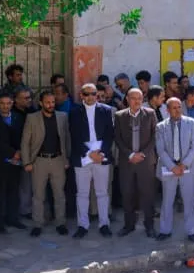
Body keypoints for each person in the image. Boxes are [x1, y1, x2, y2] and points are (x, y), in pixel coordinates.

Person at [21, 90, 71, 237]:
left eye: (53, 102)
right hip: (39, 161)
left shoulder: (62, 117)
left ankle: (60, 223)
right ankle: (37, 224)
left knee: (59, 194)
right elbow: (25, 142)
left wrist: (66, 159)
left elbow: (67, 139)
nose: (51, 105)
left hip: (58, 160)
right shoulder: (32, 118)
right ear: (41, 103)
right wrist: (27, 162)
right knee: (38, 195)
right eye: (48, 102)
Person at [70, 83, 115, 238]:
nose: (90, 97)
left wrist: (101, 153)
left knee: (102, 192)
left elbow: (110, 134)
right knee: (82, 193)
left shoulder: (106, 110)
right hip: (83, 156)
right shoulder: (74, 112)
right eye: (86, 94)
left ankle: (104, 224)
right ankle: (82, 225)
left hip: (101, 155)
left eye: (93, 93)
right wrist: (89, 153)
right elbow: (74, 136)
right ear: (81, 95)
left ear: (97, 95)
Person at [113, 88, 158, 237]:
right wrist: (131, 154)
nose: (137, 101)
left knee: (147, 194)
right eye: (133, 98)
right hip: (127, 161)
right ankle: (129, 225)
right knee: (127, 194)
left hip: (146, 161)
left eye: (139, 98)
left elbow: (155, 136)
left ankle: (149, 225)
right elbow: (118, 138)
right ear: (127, 99)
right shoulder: (119, 116)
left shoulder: (150, 114)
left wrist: (142, 153)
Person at [156, 97, 194, 242]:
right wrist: (172, 167)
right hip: (168, 168)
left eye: (179, 107)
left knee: (189, 200)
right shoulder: (161, 126)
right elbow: (160, 149)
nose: (177, 110)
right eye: (174, 108)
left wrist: (184, 164)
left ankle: (191, 231)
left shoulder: (191, 122)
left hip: (188, 168)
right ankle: (165, 230)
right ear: (168, 110)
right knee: (167, 200)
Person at [0, 92, 27, 233]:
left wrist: (20, 153)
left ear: (12, 103)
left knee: (14, 191)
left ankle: (12, 218)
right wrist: (13, 153)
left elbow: (23, 137)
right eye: (2, 103)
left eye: (8, 103)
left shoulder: (18, 118)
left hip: (16, 161)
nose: (5, 106)